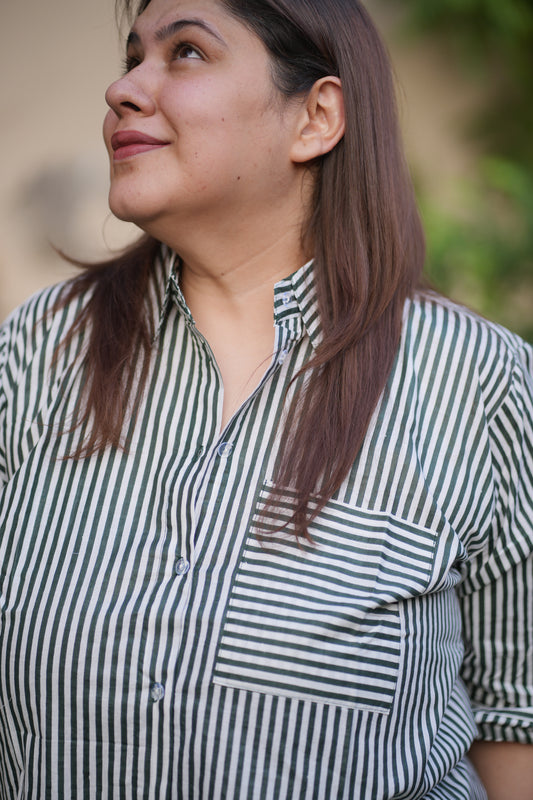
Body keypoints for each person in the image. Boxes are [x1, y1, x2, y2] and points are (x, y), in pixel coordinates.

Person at [0, 0, 532, 796]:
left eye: (185, 52)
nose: (124, 89)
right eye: (132, 58)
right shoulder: (38, 352)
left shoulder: (480, 384)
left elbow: (514, 723)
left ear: (315, 118)